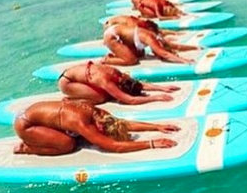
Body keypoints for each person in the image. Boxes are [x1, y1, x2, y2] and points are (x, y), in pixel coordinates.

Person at [13, 99, 180, 156]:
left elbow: (122, 123)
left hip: (41, 117)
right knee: (68, 144)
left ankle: (45, 137)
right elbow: (113, 147)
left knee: (75, 138)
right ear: (100, 128)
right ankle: (27, 147)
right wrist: (151, 144)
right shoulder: (82, 122)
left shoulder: (99, 113)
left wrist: (156, 126)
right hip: (26, 124)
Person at [58, 60, 180, 105]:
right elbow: (129, 100)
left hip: (81, 74)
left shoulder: (120, 75)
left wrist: (162, 88)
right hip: (67, 82)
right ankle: (70, 100)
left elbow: (138, 84)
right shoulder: (106, 81)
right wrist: (155, 98)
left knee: (108, 94)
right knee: (101, 98)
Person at [102, 17, 198, 66]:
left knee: (141, 54)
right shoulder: (150, 38)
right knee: (132, 60)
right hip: (112, 35)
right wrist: (184, 60)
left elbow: (173, 46)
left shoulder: (158, 39)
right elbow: (164, 54)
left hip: (122, 34)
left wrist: (195, 47)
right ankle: (107, 60)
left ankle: (119, 54)